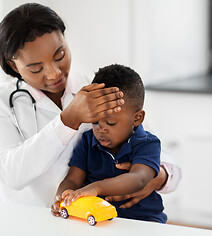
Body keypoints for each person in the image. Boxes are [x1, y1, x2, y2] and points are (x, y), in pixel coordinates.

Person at [0, 3, 181, 209]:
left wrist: (158, 176)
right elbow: (9, 174)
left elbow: (153, 148)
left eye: (60, 56)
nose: (54, 73)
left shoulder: (99, 88)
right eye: (37, 68)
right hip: (27, 221)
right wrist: (68, 121)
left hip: (91, 221)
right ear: (13, 65)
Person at [53, 64, 167, 223]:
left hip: (143, 222)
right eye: (94, 121)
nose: (101, 129)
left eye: (111, 123)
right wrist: (63, 197)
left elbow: (139, 178)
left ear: (137, 118)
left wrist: (96, 187)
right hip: (100, 221)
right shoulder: (87, 141)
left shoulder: (148, 143)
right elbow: (73, 179)